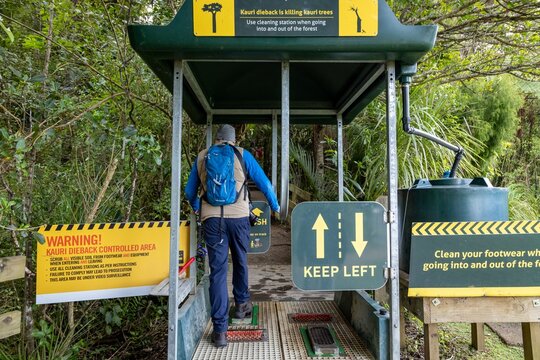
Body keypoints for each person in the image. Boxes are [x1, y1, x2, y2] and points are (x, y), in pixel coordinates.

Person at [184, 124, 279, 348]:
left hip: (212, 221)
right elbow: (265, 184)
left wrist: (199, 207)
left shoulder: (202, 157)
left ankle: (219, 331)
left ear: (217, 139)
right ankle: (242, 305)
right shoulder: (242, 155)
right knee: (240, 261)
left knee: (217, 271)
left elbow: (189, 192)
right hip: (238, 219)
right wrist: (275, 206)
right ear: (233, 140)